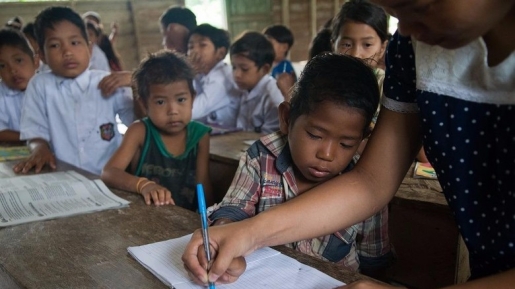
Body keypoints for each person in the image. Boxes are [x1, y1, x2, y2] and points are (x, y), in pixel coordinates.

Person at [182, 0, 515, 288]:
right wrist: (245, 232)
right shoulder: (412, 48)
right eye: (396, 13)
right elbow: (372, 182)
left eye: (420, 7)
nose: (408, 30)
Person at [210, 53, 392, 273]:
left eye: (345, 144)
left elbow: (374, 260)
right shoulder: (262, 156)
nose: (327, 154)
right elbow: (233, 210)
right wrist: (220, 241)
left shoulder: (367, 182)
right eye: (315, 135)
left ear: (363, 137)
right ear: (287, 118)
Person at [13, 6, 134, 175]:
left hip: (110, 177)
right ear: (41, 55)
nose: (67, 52)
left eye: (75, 43)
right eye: (55, 45)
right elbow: (34, 131)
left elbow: (137, 123)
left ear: (89, 49)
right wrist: (39, 148)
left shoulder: (107, 81)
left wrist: (137, 82)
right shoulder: (40, 85)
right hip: (63, 176)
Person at [101, 50, 213, 210]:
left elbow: (203, 188)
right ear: (144, 104)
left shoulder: (200, 135)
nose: (173, 110)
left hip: (186, 224)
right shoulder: (139, 131)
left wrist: (212, 219)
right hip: (148, 219)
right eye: (160, 102)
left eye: (181, 99)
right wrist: (143, 185)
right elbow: (109, 173)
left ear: (192, 99)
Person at [230, 31, 283, 134]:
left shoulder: (272, 98)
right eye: (234, 67)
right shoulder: (245, 89)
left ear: (265, 69)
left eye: (244, 69)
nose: (237, 74)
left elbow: (270, 141)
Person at [187, 24, 239, 127]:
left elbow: (191, 112)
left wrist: (188, 73)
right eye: (190, 47)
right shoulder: (200, 75)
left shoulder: (222, 77)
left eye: (202, 45)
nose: (194, 51)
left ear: (220, 53)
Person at [0, 28, 39, 144]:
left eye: (18, 60)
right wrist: (35, 138)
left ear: (36, 61)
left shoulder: (51, 88)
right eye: (2, 66)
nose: (12, 70)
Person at [263, 24, 297, 99]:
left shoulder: (285, 69)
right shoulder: (268, 65)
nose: (265, 47)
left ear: (284, 47)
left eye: (270, 43)